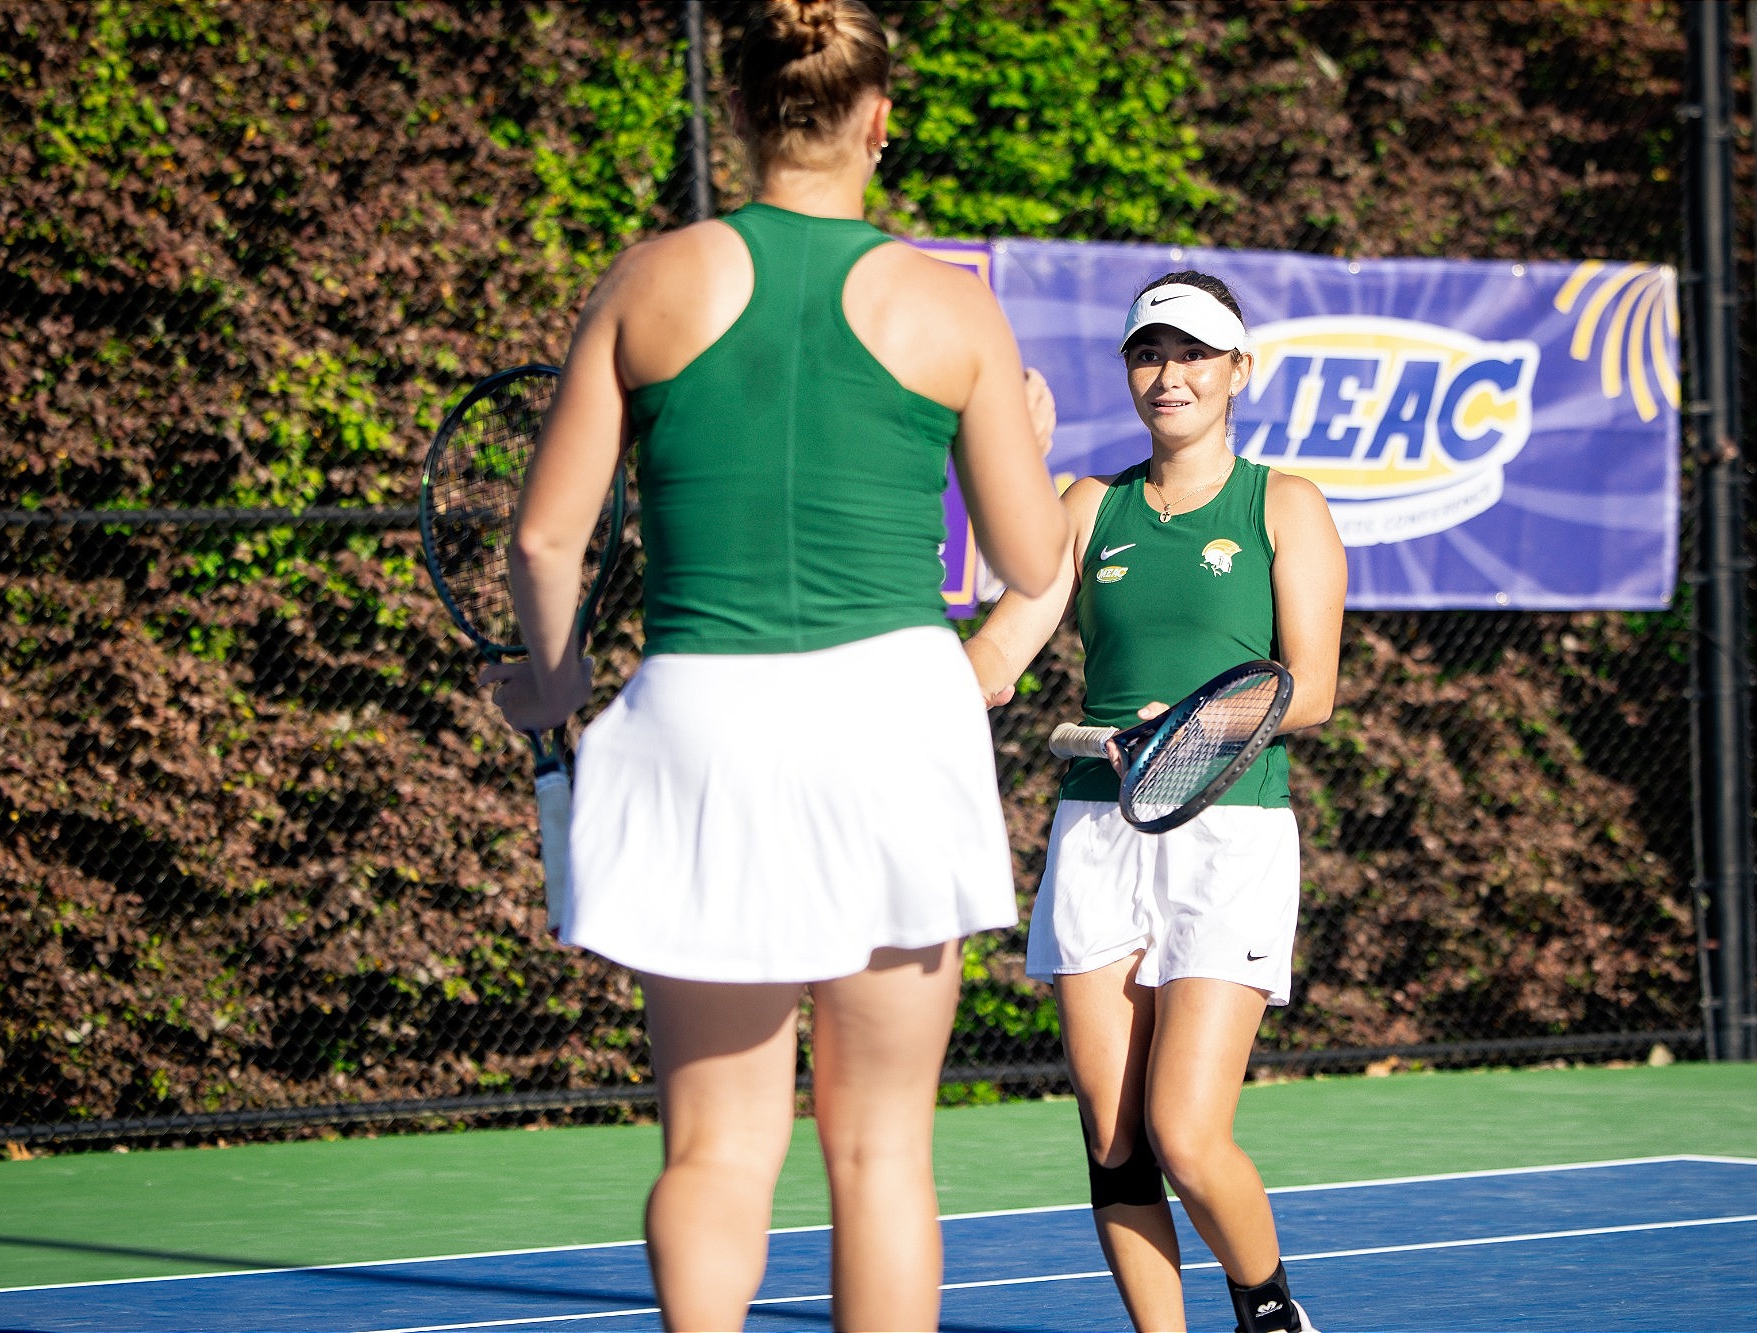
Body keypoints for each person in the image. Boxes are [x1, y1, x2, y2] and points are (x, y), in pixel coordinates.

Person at [481, 2, 1068, 1328]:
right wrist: (1025, 427)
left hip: (697, 723)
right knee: (881, 1154)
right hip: (892, 723)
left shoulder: (651, 279)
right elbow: (1033, 561)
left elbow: (542, 536)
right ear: (878, 120)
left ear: (742, 116)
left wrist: (556, 687)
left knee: (714, 1151)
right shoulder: (951, 307)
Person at [963, 272, 1346, 1333]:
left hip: (1230, 834)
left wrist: (1177, 736)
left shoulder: (1284, 504)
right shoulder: (1089, 506)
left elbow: (1306, 689)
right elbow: (1002, 645)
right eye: (1147, 353)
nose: (1166, 375)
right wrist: (929, 679)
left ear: (1235, 372)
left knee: (1184, 1131)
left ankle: (1267, 1310)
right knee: (1113, 1138)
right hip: (1097, 830)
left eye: (1190, 354)